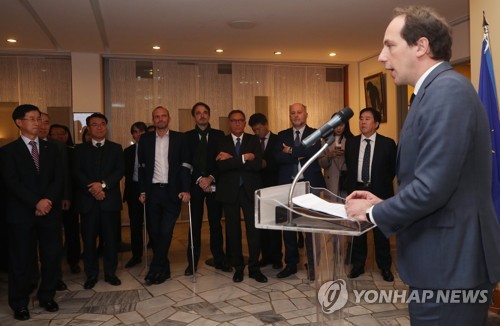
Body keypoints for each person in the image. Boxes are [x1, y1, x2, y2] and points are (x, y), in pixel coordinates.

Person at [345, 6, 500, 325]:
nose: (381, 57)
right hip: (444, 263)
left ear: (421, 46)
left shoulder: (447, 92)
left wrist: (373, 213)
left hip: (451, 266)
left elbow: (433, 188)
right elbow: (434, 181)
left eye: (389, 45)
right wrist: (385, 203)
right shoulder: (431, 93)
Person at [2, 104, 63, 321]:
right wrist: (35, 202)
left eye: (39, 119)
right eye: (32, 119)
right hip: (21, 215)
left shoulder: (52, 149)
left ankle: (47, 296)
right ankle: (19, 303)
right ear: (19, 122)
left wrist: (47, 201)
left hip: (50, 212)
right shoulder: (8, 152)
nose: (37, 123)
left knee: (51, 257)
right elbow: (12, 183)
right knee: (21, 260)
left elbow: (58, 178)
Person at [138, 106, 191, 285]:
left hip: (172, 191)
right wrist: (142, 191)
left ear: (169, 118)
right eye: (156, 117)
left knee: (166, 231)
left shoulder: (180, 138)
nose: (160, 119)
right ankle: (164, 269)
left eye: (163, 116)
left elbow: (185, 166)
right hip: (153, 192)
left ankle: (155, 269)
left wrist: (186, 189)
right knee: (154, 233)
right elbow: (142, 167)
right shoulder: (144, 139)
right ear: (153, 120)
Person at [275, 103, 326, 281]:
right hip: (287, 186)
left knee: (311, 227)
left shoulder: (315, 133)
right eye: (293, 113)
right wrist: (298, 152)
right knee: (288, 226)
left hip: (309, 185)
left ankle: (313, 265)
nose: (296, 116)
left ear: (306, 114)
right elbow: (278, 157)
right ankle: (290, 264)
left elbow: (313, 151)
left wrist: (290, 150)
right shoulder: (281, 135)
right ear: (290, 116)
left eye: (299, 113)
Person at [215, 110, 267, 283]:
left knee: (254, 231)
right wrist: (245, 158)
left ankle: (254, 268)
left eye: (240, 121)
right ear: (229, 123)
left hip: (249, 191)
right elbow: (221, 167)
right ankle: (238, 268)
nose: (237, 124)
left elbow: (258, 165)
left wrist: (233, 160)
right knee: (233, 232)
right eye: (233, 121)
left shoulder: (253, 140)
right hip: (230, 193)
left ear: (245, 123)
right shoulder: (221, 141)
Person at [344, 107, 396, 282]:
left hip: (379, 191)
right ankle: (358, 265)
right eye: (361, 118)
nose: (363, 122)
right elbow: (349, 168)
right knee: (359, 230)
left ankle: (385, 267)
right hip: (357, 190)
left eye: (367, 119)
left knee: (380, 231)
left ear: (376, 124)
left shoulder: (387, 143)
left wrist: (379, 185)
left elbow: (392, 170)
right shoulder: (351, 142)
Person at [74, 113, 124, 289]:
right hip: (88, 202)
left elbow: (119, 171)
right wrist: (93, 189)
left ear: (106, 126)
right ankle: (91, 274)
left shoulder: (116, 148)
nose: (99, 127)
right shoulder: (79, 149)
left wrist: (102, 185)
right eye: (95, 124)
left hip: (109, 201)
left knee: (111, 240)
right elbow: (77, 172)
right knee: (88, 241)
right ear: (88, 128)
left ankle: (110, 273)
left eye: (102, 124)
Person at [184, 102, 231, 276]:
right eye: (198, 113)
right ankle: (192, 263)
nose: (202, 115)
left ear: (209, 115)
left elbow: (221, 160)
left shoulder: (220, 136)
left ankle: (219, 259)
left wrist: (210, 177)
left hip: (214, 184)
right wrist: (199, 179)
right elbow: (186, 161)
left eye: (205, 113)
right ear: (194, 117)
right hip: (194, 186)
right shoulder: (186, 137)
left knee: (215, 224)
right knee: (193, 225)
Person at [248, 113, 283, 270]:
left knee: (275, 225)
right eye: (254, 130)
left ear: (266, 125)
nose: (257, 133)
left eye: (259, 129)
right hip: (257, 188)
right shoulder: (251, 141)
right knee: (261, 225)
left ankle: (276, 257)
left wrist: (265, 164)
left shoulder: (278, 140)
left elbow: (279, 162)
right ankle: (265, 255)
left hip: (274, 187)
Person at [49, 124, 81, 274]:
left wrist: (67, 196)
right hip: (50, 199)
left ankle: (73, 261)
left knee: (72, 231)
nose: (56, 137)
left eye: (60, 134)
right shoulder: (45, 150)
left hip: (71, 197)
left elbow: (71, 175)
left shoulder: (73, 152)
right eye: (53, 134)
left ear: (67, 135)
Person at [123, 121, 148, 268]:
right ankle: (136, 255)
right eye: (135, 132)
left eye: (141, 131)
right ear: (132, 134)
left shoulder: (153, 149)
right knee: (135, 225)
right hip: (133, 190)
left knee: (152, 223)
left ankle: (158, 252)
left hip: (150, 191)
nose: (139, 134)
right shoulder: (128, 151)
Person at [318, 112, 353, 201]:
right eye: (336, 125)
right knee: (332, 208)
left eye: (342, 125)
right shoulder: (325, 140)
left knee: (346, 207)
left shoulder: (351, 140)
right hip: (331, 180)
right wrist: (330, 155)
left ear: (346, 125)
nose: (339, 128)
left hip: (346, 179)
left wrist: (347, 154)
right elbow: (321, 164)